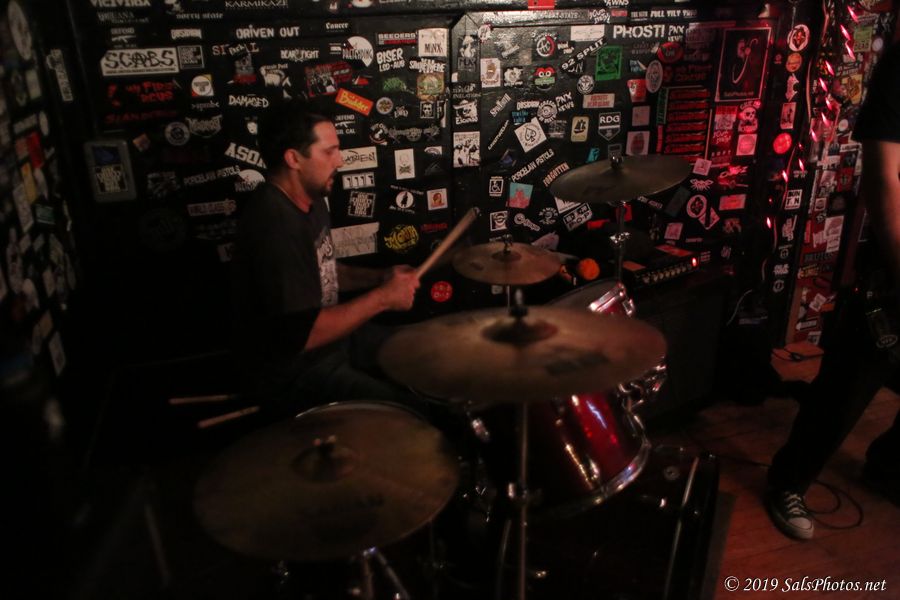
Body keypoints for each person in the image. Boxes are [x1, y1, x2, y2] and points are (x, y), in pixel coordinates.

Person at [766, 42, 900, 540]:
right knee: (847, 387)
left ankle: (888, 466)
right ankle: (788, 482)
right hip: (893, 268)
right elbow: (884, 180)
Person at [231, 99, 420, 418]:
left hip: (334, 344)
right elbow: (303, 334)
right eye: (329, 151)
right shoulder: (274, 225)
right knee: (408, 412)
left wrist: (380, 278)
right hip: (295, 371)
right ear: (294, 159)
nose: (340, 160)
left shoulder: (310, 195)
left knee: (424, 348)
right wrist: (384, 298)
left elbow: (324, 271)